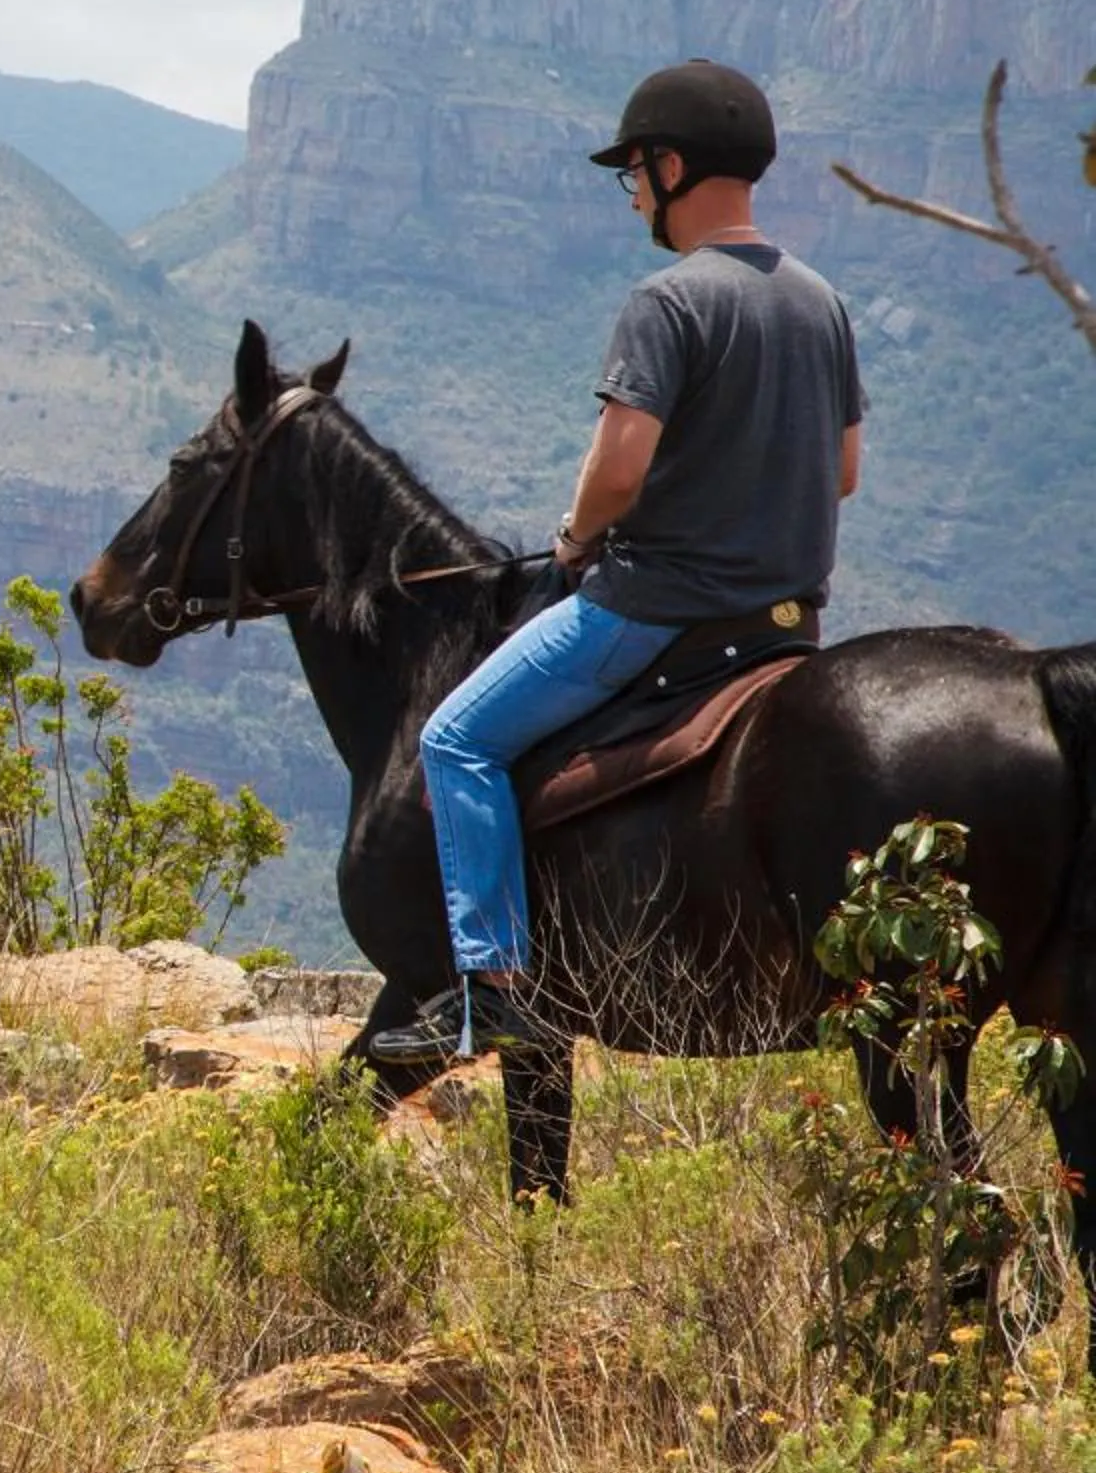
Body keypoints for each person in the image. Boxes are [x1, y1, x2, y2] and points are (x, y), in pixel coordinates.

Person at [369, 59, 865, 1064]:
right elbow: (846, 471)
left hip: (655, 608)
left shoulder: (668, 300)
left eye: (635, 173)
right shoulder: (823, 303)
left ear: (673, 166)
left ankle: (493, 987)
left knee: (458, 737)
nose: (634, 193)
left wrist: (575, 537)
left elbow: (620, 464)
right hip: (784, 623)